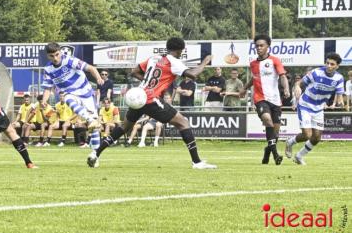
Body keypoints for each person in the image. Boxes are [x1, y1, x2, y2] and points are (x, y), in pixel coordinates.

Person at [88, 37, 216, 169]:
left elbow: (134, 72)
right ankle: (197, 162)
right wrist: (205, 61)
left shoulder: (154, 58)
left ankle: (95, 153)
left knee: (124, 127)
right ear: (180, 51)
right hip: (150, 98)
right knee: (183, 123)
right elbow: (193, 74)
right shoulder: (174, 62)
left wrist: (148, 82)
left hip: (139, 95)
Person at [41, 42, 104, 154]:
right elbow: (47, 87)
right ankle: (89, 119)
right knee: (67, 99)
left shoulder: (70, 60)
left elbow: (90, 68)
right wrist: (44, 101)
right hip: (69, 93)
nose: (55, 58)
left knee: (95, 127)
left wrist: (98, 78)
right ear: (47, 56)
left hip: (86, 92)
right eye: (52, 56)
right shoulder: (48, 69)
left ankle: (95, 156)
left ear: (60, 52)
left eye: (57, 54)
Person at [285, 53, 345, 165]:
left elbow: (340, 95)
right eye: (327, 63)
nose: (329, 66)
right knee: (307, 135)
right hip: (305, 105)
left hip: (318, 108)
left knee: (316, 137)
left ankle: (299, 156)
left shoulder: (339, 78)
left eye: (332, 64)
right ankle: (290, 142)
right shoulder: (316, 72)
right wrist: (297, 86)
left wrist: (340, 102)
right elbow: (299, 82)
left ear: (337, 66)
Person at [240, 34, 289, 165]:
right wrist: (244, 88)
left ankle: (267, 151)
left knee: (275, 131)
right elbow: (253, 78)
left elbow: (283, 76)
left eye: (261, 45)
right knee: (267, 120)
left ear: (268, 46)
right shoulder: (253, 63)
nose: (259, 48)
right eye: (257, 46)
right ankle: (275, 155)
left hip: (275, 99)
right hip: (260, 98)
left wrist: (286, 89)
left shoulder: (275, 60)